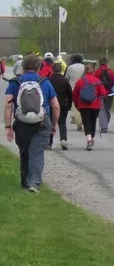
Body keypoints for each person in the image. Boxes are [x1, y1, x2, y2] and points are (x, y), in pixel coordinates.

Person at [4, 55, 60, 193]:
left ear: (22, 67)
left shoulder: (15, 82)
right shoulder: (45, 82)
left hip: (22, 122)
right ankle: (34, 183)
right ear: (39, 68)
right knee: (37, 152)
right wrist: (53, 124)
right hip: (42, 122)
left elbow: (8, 105)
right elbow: (55, 107)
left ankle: (25, 182)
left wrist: (8, 127)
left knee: (25, 152)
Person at [71, 63, 108, 151]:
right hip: (95, 106)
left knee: (86, 122)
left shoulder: (80, 81)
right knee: (93, 122)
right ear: (93, 71)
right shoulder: (97, 81)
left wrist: (77, 105)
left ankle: (89, 139)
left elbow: (74, 94)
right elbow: (103, 93)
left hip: (83, 106)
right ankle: (92, 137)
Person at [46, 61, 74, 151]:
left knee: (50, 122)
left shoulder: (48, 80)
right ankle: (63, 140)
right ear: (62, 70)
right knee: (62, 123)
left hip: (51, 104)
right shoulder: (65, 80)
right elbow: (70, 94)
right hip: (63, 104)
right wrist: (69, 104)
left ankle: (49, 142)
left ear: (52, 69)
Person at [65, 54, 86, 132]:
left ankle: (79, 124)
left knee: (75, 107)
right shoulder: (84, 67)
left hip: (73, 88)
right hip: (83, 88)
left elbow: (66, 78)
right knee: (83, 106)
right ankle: (83, 121)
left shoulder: (70, 67)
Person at [96, 58, 114, 134]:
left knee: (101, 110)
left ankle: (103, 126)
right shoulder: (111, 72)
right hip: (109, 93)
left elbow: (95, 82)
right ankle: (106, 121)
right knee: (107, 109)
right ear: (107, 63)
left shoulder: (97, 71)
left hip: (100, 93)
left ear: (99, 63)